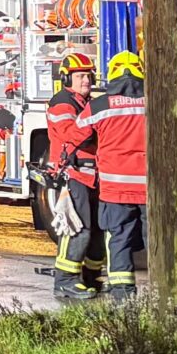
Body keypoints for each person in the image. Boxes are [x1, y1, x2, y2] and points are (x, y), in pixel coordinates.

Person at [42, 51, 103, 299]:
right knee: (78, 227)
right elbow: (71, 133)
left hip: (93, 174)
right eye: (80, 76)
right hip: (74, 173)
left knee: (98, 228)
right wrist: (96, 120)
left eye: (88, 75)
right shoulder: (62, 103)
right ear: (67, 78)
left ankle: (91, 277)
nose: (86, 80)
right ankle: (65, 280)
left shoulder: (86, 102)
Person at [89, 50, 147, 298]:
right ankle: (166, 293)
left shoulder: (100, 104)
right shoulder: (154, 99)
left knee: (119, 237)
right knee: (156, 240)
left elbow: (75, 134)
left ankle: (122, 292)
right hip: (148, 186)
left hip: (115, 188)